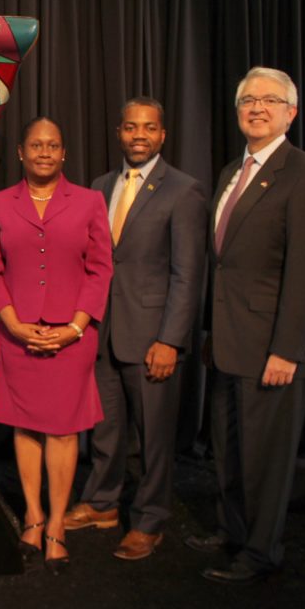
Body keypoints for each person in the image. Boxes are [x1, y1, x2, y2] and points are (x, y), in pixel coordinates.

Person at [186, 67, 305, 584]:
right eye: (247, 100)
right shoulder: (233, 169)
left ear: (290, 112)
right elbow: (225, 265)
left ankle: (261, 551)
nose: (256, 107)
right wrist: (210, 332)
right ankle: (234, 532)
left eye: (270, 100)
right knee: (229, 455)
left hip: (274, 348)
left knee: (266, 461)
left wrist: (287, 349)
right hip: (228, 344)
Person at [65, 98, 207, 560]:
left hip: (152, 338)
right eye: (130, 127)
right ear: (120, 132)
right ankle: (104, 503)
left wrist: (170, 340)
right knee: (105, 429)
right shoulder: (99, 187)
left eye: (148, 127)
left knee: (154, 436)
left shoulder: (183, 191)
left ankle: (149, 519)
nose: (138, 135)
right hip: (101, 333)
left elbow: (188, 274)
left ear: (163, 135)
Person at [0, 116, 113, 572]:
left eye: (52, 145)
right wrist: (13, 325)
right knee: (25, 424)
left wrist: (76, 327)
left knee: (62, 427)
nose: (43, 152)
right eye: (35, 144)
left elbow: (100, 269)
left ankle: (56, 522)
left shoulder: (91, 202)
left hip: (71, 338)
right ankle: (32, 515)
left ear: (64, 154)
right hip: (17, 336)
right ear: (20, 152)